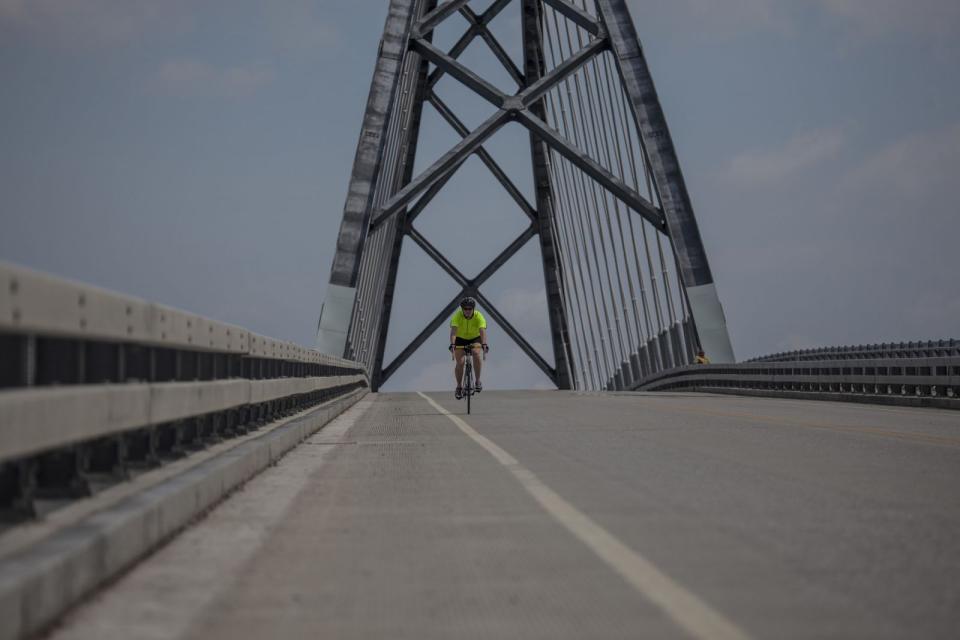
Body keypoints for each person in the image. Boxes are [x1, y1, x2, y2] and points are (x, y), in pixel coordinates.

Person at [449, 297, 488, 399]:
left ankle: (478, 381)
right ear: (462, 309)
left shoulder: (479, 316)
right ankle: (459, 386)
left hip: (475, 338)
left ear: (473, 309)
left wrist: (484, 344)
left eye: (470, 309)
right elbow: (453, 331)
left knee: (475, 353)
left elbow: (482, 331)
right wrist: (453, 344)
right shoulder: (457, 316)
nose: (467, 311)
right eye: (465, 309)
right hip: (460, 338)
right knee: (460, 362)